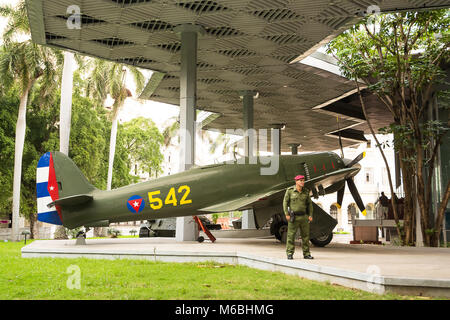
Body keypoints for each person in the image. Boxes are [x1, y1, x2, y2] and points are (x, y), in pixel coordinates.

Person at [283, 175, 314, 260]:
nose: (302, 182)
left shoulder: (306, 192)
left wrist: (310, 215)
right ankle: (289, 253)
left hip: (304, 217)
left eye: (303, 180)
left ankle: (306, 254)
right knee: (291, 236)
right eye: (300, 180)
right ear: (296, 181)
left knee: (306, 236)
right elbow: (285, 203)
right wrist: (286, 214)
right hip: (294, 217)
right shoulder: (290, 191)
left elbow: (309, 204)